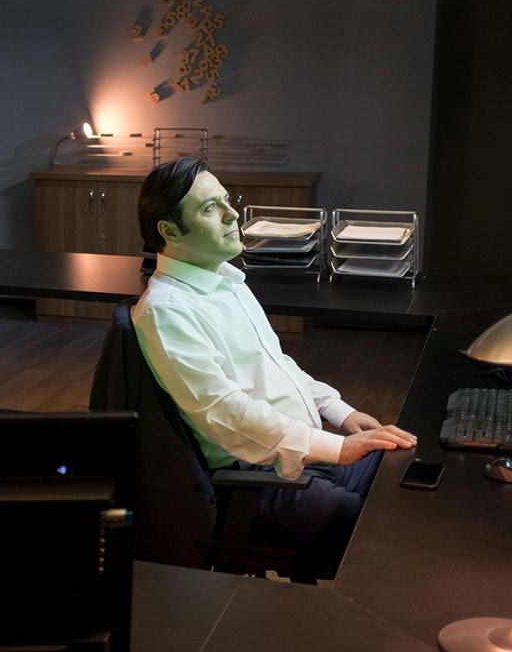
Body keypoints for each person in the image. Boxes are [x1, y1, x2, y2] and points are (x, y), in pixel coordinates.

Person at [132, 156, 416, 575]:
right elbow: (224, 412)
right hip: (260, 478)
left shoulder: (226, 280)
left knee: (405, 471)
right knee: (385, 534)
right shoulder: (166, 310)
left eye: (227, 201)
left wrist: (339, 412)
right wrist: (337, 448)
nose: (232, 215)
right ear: (170, 231)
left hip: (304, 452)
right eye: (210, 208)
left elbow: (277, 363)